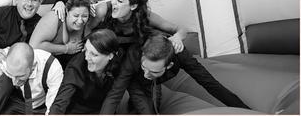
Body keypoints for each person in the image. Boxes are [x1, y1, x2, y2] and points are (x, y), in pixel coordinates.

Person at [100, 30, 250, 114]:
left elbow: (210, 84)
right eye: (145, 67)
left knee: (153, 106)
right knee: (141, 108)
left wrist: (245, 111)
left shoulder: (181, 56)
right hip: (134, 80)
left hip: (156, 82)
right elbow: (115, 94)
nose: (147, 74)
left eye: (153, 71)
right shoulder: (134, 58)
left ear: (169, 65)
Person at [49, 29, 122, 114]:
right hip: (77, 111)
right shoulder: (76, 67)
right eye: (86, 50)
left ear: (110, 56)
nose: (87, 57)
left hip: (104, 108)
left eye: (94, 54)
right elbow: (61, 102)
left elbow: (113, 96)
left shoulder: (118, 65)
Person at [29, 0, 90, 68]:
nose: (80, 21)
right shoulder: (55, 18)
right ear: (67, 11)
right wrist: (66, 49)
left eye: (84, 16)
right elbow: (34, 46)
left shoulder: (88, 23)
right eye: (76, 16)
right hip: (43, 64)